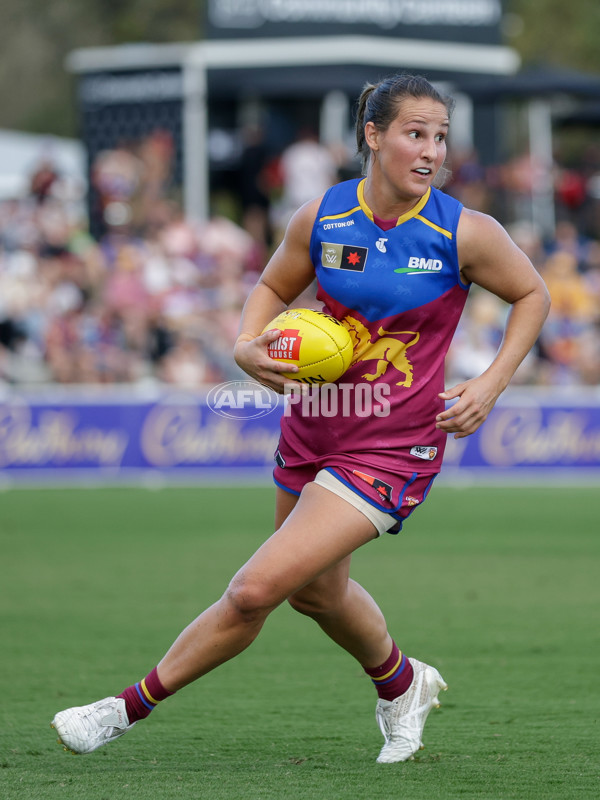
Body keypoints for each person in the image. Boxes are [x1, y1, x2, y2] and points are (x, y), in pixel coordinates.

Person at [51, 74, 550, 764]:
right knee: (317, 593)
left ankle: (119, 710)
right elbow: (271, 286)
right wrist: (244, 345)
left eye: (440, 135)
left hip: (391, 447)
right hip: (311, 428)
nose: (432, 150)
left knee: (255, 589)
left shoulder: (463, 230)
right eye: (415, 133)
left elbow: (533, 293)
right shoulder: (322, 216)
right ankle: (403, 685)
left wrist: (491, 383)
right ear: (372, 136)